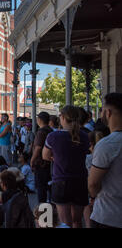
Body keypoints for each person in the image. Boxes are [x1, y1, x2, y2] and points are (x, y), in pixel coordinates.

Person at [43, 106, 90, 228]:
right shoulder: (85, 137)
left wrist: (56, 157)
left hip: (61, 181)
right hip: (80, 181)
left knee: (65, 222)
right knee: (77, 221)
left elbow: (45, 156)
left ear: (63, 117)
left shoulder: (53, 137)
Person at [88, 93, 122, 228]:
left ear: (108, 113)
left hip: (108, 214)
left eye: (102, 109)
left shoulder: (108, 144)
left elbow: (93, 184)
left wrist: (93, 195)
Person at [31, 112, 53, 204]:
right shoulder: (50, 130)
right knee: (48, 185)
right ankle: (49, 204)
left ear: (40, 120)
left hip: (41, 163)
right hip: (49, 162)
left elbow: (38, 148)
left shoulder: (41, 132)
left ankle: (43, 209)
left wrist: (32, 160)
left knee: (41, 187)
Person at [84, 130, 104, 228]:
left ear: (90, 143)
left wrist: (92, 196)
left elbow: (91, 181)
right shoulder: (105, 155)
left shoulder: (87, 158)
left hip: (91, 191)